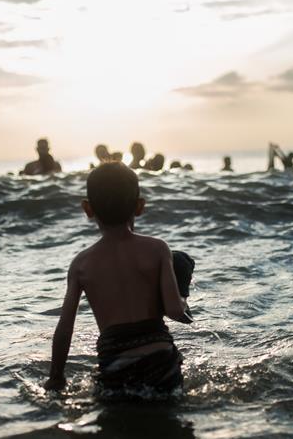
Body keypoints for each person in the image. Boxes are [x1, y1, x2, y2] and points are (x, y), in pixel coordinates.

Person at [44, 162, 194, 396]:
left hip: (114, 361)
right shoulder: (158, 249)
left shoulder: (81, 264)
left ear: (88, 209)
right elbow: (175, 311)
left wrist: (56, 378)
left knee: (116, 418)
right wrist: (182, 294)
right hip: (160, 356)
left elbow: (65, 329)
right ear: (140, 206)